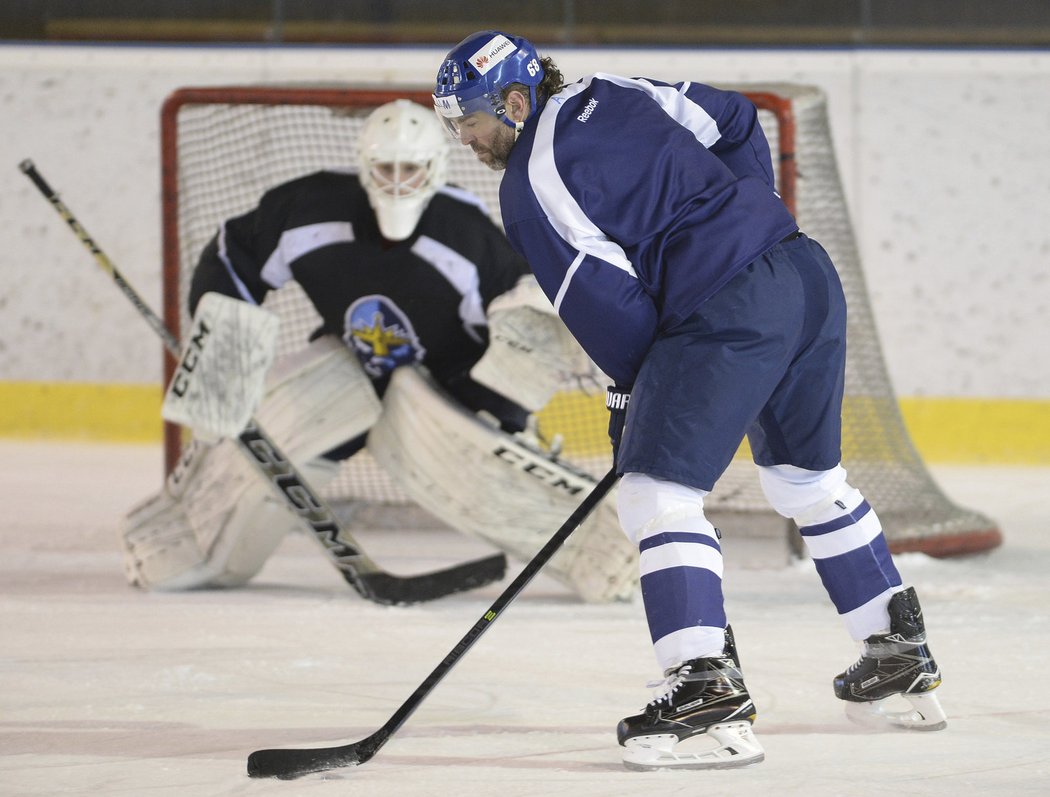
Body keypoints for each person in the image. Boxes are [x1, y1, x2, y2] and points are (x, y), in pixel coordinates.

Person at [432, 31, 946, 770]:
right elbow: (737, 119)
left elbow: (605, 304)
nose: (467, 140)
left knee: (653, 492)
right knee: (806, 480)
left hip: (728, 306)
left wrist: (637, 390)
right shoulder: (611, 88)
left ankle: (704, 693)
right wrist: (747, 217)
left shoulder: (529, 182)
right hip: (803, 276)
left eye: (471, 122)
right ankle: (899, 650)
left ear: (515, 102)